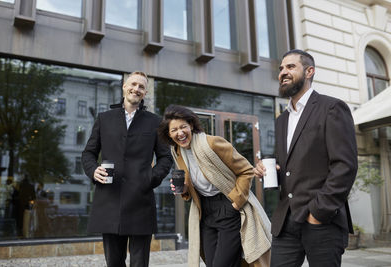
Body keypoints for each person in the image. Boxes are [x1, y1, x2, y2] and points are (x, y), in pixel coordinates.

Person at [254, 49, 358, 267]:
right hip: (286, 221)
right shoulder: (282, 119)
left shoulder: (332, 108)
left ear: (309, 71)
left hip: (321, 220)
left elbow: (344, 166)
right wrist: (268, 168)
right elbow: (291, 165)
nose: (283, 72)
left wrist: (318, 212)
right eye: (281, 68)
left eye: (290, 67)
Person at [158, 105, 271, 267]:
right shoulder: (177, 152)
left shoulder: (212, 143)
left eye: (183, 127)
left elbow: (246, 170)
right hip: (205, 212)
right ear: (169, 134)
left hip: (228, 206)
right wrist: (184, 189)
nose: (180, 133)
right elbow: (193, 184)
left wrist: (236, 202)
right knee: (211, 263)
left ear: (191, 125)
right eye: (174, 130)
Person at [82, 71, 173, 267]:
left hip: (141, 201)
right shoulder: (104, 118)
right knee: (114, 262)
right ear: (124, 86)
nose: (136, 89)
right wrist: (93, 170)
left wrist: (150, 178)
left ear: (145, 92)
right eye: (133, 84)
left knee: (139, 263)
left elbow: (166, 158)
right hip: (110, 200)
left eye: (141, 87)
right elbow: (88, 153)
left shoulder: (155, 121)